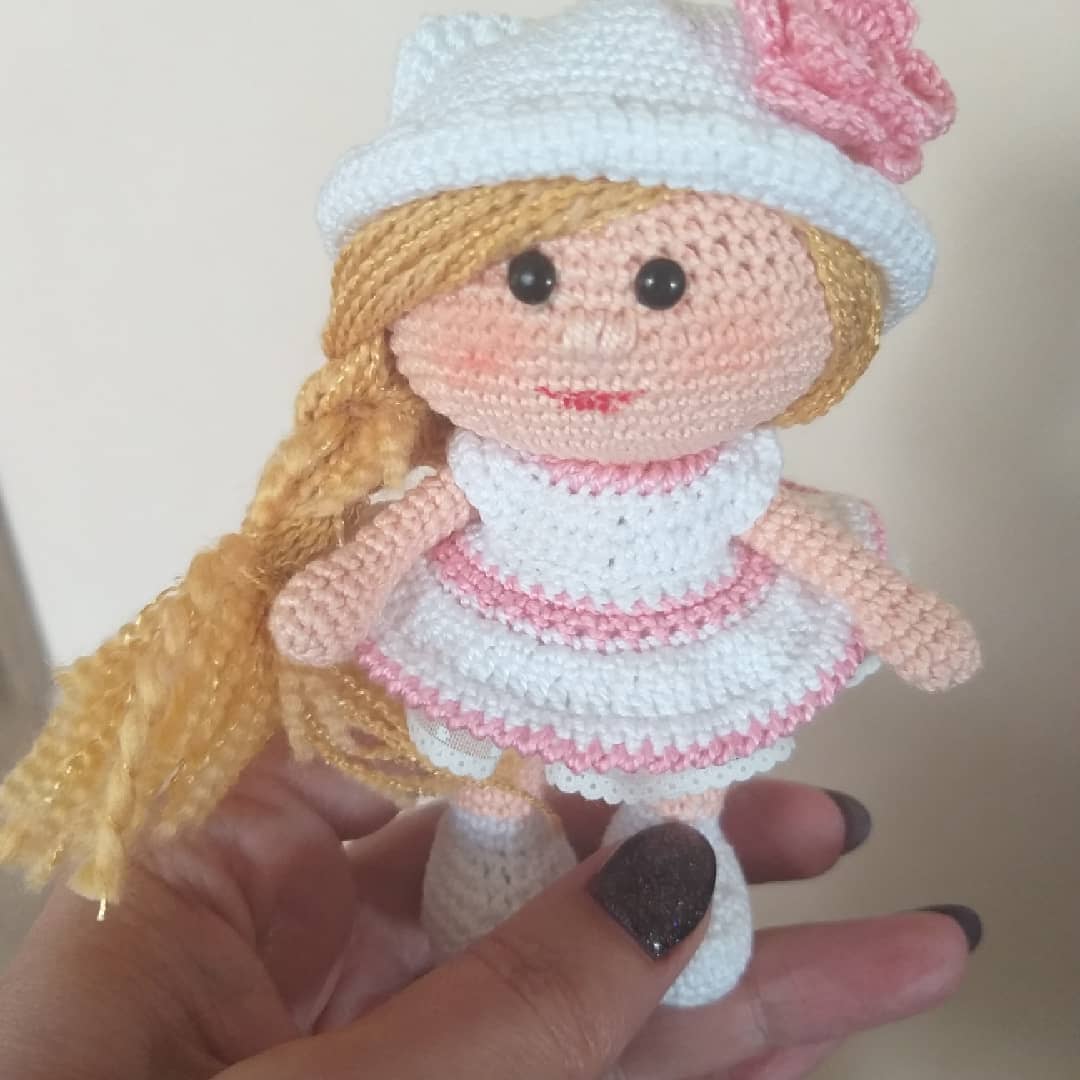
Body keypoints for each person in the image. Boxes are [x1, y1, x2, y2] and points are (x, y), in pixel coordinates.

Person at [0, 737, 981, 1079]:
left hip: (659, 751)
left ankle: (672, 816)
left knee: (674, 792)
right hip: (502, 771)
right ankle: (615, 820)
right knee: (500, 801)